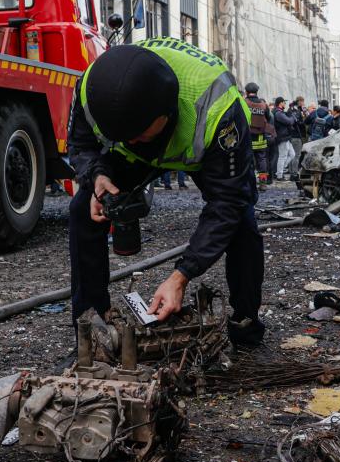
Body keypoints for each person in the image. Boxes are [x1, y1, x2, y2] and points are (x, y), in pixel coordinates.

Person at [66, 39, 265, 345]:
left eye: (140, 133)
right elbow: (80, 146)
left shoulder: (218, 107)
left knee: (242, 223)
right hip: (140, 155)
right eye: (123, 136)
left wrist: (181, 276)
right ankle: (91, 330)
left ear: (167, 111)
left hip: (206, 152)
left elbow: (228, 202)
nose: (133, 141)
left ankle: (245, 324)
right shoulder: (94, 89)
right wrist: (98, 176)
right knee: (84, 209)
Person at [244, 82, 273, 187]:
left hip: (247, 137)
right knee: (261, 159)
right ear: (257, 92)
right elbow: (269, 118)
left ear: (247, 92)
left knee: (247, 159)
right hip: (261, 137)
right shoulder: (263, 105)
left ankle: (249, 182)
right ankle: (263, 183)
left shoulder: (244, 103)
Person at [272, 97, 297, 181]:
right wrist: (293, 117)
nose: (285, 104)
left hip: (286, 137)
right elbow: (289, 121)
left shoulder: (279, 112)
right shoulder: (278, 113)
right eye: (284, 102)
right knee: (282, 156)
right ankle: (279, 175)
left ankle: (281, 170)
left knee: (292, 154)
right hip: (282, 137)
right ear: (280, 103)